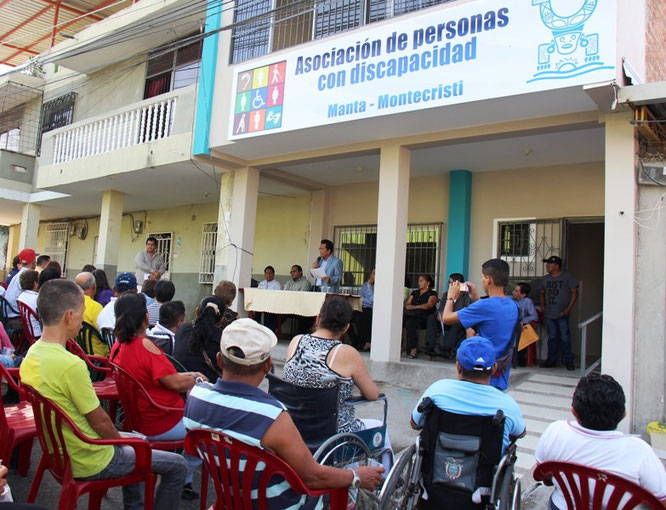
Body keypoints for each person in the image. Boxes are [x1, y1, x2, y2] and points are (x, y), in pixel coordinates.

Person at [20, 279, 188, 510]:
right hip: (91, 457)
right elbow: (99, 420)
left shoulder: (32, 355)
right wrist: (124, 442)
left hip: (60, 453)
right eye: (81, 312)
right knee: (177, 465)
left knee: (137, 443)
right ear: (69, 316)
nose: (83, 318)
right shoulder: (71, 365)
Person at [183, 318, 384, 509]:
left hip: (228, 502)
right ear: (268, 366)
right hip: (286, 505)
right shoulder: (272, 416)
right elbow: (313, 477)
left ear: (219, 360)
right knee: (364, 500)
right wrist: (355, 476)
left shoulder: (196, 398)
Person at [110, 293, 206, 500]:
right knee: (209, 427)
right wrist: (197, 379)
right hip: (162, 421)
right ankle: (186, 476)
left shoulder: (118, 347)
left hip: (135, 420)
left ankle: (183, 475)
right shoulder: (145, 346)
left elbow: (164, 377)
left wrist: (191, 376)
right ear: (145, 318)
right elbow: (172, 382)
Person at [283, 297, 392, 470]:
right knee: (379, 428)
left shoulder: (295, 342)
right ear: (346, 328)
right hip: (335, 437)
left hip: (295, 428)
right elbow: (372, 394)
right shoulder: (346, 353)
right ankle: (386, 487)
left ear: (318, 318)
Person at [535, 373, 666, 509]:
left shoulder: (555, 431)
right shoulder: (640, 451)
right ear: (623, 414)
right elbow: (662, 500)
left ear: (574, 412)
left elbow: (545, 477)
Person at [411, 337, 526, 452]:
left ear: (458, 366)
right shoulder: (507, 405)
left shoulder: (438, 390)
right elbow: (520, 433)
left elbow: (415, 423)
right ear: (494, 368)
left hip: (435, 467)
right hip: (486, 468)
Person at [442, 259, 519, 391]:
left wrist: (451, 297)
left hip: (480, 379)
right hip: (500, 374)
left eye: (482, 277)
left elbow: (446, 318)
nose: (481, 280)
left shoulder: (484, 306)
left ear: (488, 279)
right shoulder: (512, 305)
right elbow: (490, 315)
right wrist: (476, 298)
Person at [174, 296, 226, 383]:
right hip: (208, 389)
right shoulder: (222, 338)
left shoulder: (182, 329)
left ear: (197, 311)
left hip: (181, 385)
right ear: (221, 320)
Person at [539, 256, 578, 370]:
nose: (547, 266)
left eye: (549, 264)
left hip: (562, 313)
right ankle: (551, 360)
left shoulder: (567, 277)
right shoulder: (545, 279)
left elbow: (574, 293)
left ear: (556, 265)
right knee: (552, 337)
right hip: (549, 313)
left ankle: (568, 361)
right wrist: (542, 306)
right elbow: (542, 292)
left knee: (565, 337)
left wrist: (568, 308)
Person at [424, 273, 471, 358]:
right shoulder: (446, 294)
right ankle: (430, 346)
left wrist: (451, 315)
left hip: (457, 322)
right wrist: (440, 314)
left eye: (451, 283)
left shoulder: (466, 296)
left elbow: (465, 311)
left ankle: (447, 349)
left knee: (457, 321)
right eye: (448, 282)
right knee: (431, 318)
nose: (449, 285)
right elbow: (441, 308)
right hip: (445, 320)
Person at [403, 274, 438, 359]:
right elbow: (407, 303)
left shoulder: (432, 293)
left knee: (410, 324)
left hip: (425, 317)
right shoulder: (415, 292)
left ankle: (413, 349)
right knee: (399, 321)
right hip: (412, 315)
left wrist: (414, 307)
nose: (419, 283)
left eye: (421, 281)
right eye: (419, 281)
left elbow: (429, 305)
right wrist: (409, 306)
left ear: (428, 283)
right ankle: (399, 346)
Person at [74, 272, 106, 356]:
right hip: (97, 356)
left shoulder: (70, 304)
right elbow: (104, 333)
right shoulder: (95, 307)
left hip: (77, 353)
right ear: (93, 286)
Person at [5, 249, 37, 321]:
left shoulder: (19, 274)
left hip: (8, 313)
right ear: (33, 261)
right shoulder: (28, 276)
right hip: (16, 315)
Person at [512, 282, 538, 367]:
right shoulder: (509, 299)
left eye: (516, 291)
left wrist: (523, 320)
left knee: (520, 332)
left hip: (519, 326)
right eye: (514, 290)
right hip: (509, 324)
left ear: (523, 294)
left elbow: (534, 316)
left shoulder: (527, 302)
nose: (513, 292)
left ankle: (519, 359)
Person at [17, 269, 41, 338]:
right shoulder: (37, 299)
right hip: (38, 332)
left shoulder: (21, 296)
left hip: (29, 331)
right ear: (35, 283)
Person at [257, 266, 281, 332]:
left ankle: (269, 331)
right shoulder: (261, 283)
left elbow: (278, 297)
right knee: (256, 312)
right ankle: (257, 330)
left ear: (273, 274)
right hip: (261, 303)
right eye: (267, 273)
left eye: (270, 273)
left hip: (272, 305)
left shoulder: (277, 284)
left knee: (270, 314)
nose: (268, 275)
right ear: (264, 274)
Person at [357, 269, 375, 351]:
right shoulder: (365, 284)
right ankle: (356, 340)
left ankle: (367, 342)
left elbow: (373, 300)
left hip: (372, 310)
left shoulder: (380, 286)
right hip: (362, 307)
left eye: (374, 273)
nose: (372, 275)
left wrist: (369, 285)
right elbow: (360, 298)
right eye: (372, 272)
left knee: (365, 317)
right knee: (348, 316)